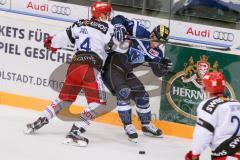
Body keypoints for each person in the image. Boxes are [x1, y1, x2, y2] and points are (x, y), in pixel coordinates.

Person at [25, 1, 114, 146]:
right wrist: (124, 40)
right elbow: (120, 45)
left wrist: (52, 43)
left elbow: (60, 38)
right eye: (107, 13)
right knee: (99, 104)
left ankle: (40, 120)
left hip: (74, 67)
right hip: (90, 68)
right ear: (102, 14)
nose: (109, 16)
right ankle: (76, 131)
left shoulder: (80, 24)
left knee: (64, 99)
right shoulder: (108, 28)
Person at [101, 15, 173, 142]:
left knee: (142, 95)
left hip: (126, 72)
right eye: (158, 40)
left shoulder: (157, 53)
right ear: (152, 34)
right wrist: (119, 26)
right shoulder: (139, 31)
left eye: (162, 42)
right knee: (124, 92)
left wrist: (164, 67)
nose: (159, 44)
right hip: (111, 67)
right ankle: (128, 126)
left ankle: (146, 125)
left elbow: (157, 72)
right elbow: (118, 18)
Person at [185, 71, 240, 160]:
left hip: (227, 154)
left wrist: (195, 154)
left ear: (206, 88)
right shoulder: (236, 103)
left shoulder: (207, 105)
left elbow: (202, 133)